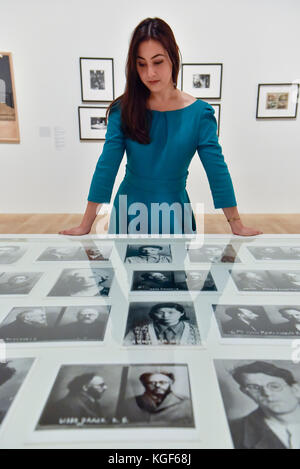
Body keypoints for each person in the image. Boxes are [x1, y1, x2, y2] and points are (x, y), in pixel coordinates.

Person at [59, 17, 262, 236]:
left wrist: (236, 224)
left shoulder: (200, 114)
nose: (150, 73)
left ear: (173, 58)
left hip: (175, 211)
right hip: (129, 211)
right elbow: (107, 166)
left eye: (157, 62)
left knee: (176, 270)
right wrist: (85, 225)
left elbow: (216, 170)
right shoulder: (124, 109)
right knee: (126, 271)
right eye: (141, 64)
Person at [229, 361, 300, 449]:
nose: (267, 393)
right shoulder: (234, 432)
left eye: (274, 386)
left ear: (296, 389)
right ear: (245, 392)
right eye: (254, 388)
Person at [118, 371, 193, 426]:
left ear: (171, 383)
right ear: (145, 385)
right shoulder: (130, 403)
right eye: (152, 383)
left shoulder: (186, 403)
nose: (157, 385)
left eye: (162, 382)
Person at [39, 373, 108, 425]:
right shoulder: (68, 406)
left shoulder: (94, 404)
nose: (105, 387)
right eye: (101, 385)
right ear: (85, 387)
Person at [124, 302, 200, 345]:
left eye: (171, 312)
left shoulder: (196, 331)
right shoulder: (137, 332)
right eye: (160, 313)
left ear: (182, 313)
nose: (165, 316)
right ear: (153, 313)